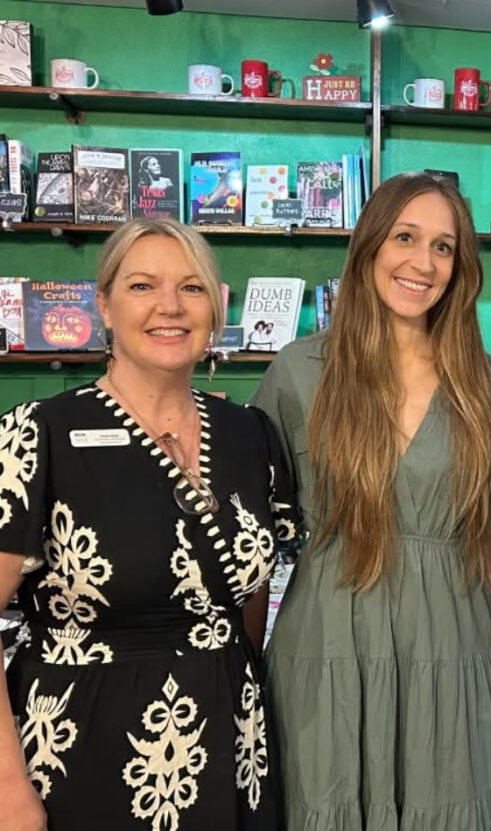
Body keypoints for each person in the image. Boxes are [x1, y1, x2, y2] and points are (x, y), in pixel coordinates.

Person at [251, 171, 491, 830]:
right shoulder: (297, 372)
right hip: (328, 640)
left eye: (444, 246)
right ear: (371, 245)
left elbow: (487, 531)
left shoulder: (486, 384)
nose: (423, 262)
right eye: (406, 236)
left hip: (450, 644)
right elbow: (254, 535)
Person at [0, 217, 299, 831]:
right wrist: (8, 789)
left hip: (231, 743)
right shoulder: (37, 435)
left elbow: (248, 597)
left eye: (192, 288)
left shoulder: (251, 435)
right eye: (142, 286)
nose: (170, 306)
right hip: (79, 750)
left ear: (215, 308)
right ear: (104, 305)